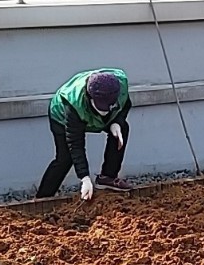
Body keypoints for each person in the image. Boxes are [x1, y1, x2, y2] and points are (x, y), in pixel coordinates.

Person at [36, 69, 133, 200]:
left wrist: (117, 122)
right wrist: (85, 178)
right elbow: (75, 144)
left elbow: (125, 104)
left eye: (108, 106)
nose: (103, 111)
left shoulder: (120, 86)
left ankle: (107, 178)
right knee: (65, 158)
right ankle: (43, 198)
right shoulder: (73, 104)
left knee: (122, 130)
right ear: (89, 96)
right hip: (61, 117)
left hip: (99, 115)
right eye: (100, 106)